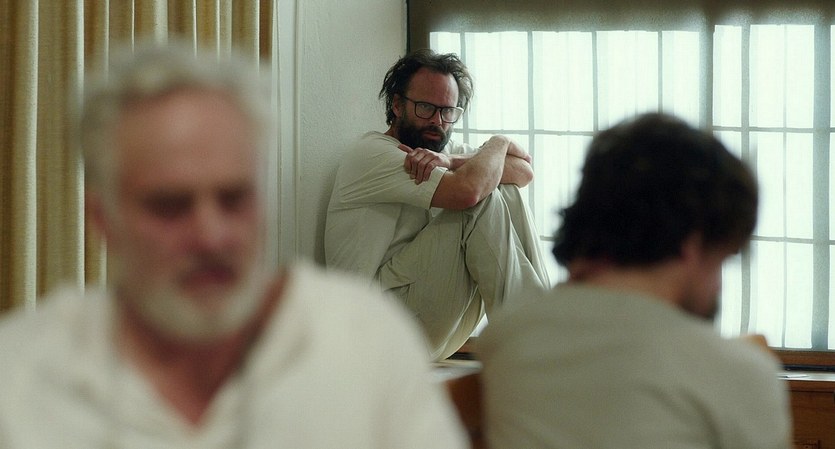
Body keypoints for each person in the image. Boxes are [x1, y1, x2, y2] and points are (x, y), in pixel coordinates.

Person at [0, 42, 469, 449]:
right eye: (169, 205)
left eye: (234, 198)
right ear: (103, 218)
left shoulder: (363, 340)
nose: (211, 236)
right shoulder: (24, 378)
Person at [477, 113, 793, 449]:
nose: (718, 286)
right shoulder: (739, 374)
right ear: (692, 243)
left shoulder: (507, 337)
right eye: (722, 259)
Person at [325, 48, 550, 361]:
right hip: (373, 330)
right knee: (478, 197)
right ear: (397, 105)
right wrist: (498, 142)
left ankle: (545, 331)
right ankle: (538, 348)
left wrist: (454, 159)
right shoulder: (374, 154)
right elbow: (469, 192)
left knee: (502, 187)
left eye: (447, 111)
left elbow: (523, 172)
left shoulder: (440, 151)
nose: (437, 121)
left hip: (426, 326)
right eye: (425, 108)